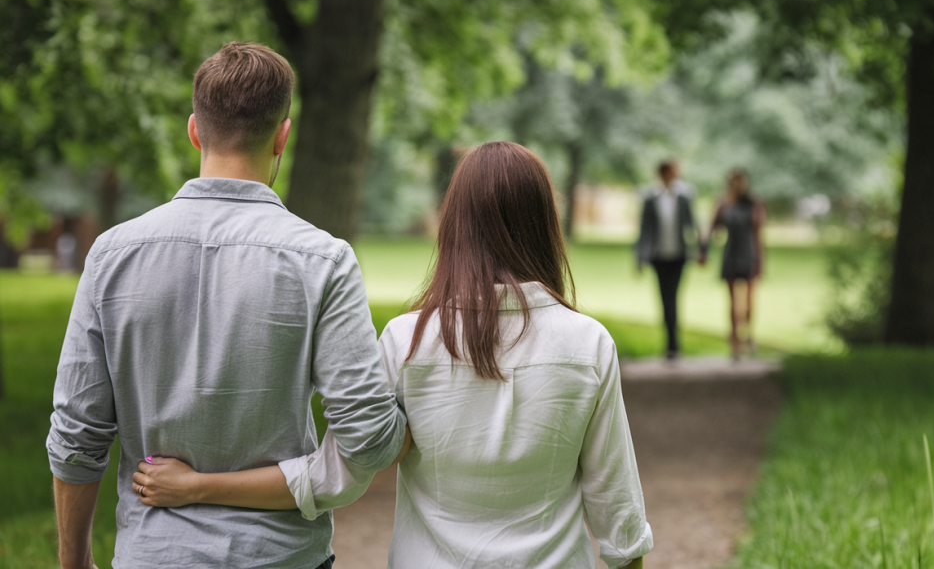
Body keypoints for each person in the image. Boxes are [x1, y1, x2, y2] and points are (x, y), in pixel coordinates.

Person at [131, 141, 653, 569]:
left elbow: (331, 478)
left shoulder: (406, 342)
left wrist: (198, 487)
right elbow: (619, 513)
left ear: (455, 226)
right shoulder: (588, 344)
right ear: (545, 225)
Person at [47, 42, 408, 569]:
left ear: (195, 129)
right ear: (283, 134)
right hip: (281, 556)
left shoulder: (112, 254)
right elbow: (370, 440)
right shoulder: (324, 260)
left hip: (155, 555)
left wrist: (73, 561)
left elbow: (78, 434)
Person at [634, 159, 704, 359]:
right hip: (658, 258)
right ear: (664, 174)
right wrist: (640, 257)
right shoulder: (651, 197)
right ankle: (671, 343)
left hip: (679, 257)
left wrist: (699, 250)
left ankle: (673, 345)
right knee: (664, 299)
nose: (677, 175)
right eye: (674, 172)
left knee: (673, 297)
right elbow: (644, 229)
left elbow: (692, 224)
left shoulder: (684, 197)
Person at [709, 168, 766, 360]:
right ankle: (735, 341)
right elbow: (713, 227)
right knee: (732, 302)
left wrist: (760, 261)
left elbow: (758, 234)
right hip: (731, 254)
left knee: (749, 301)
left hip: (749, 254)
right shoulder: (723, 203)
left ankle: (748, 333)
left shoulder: (754, 204)